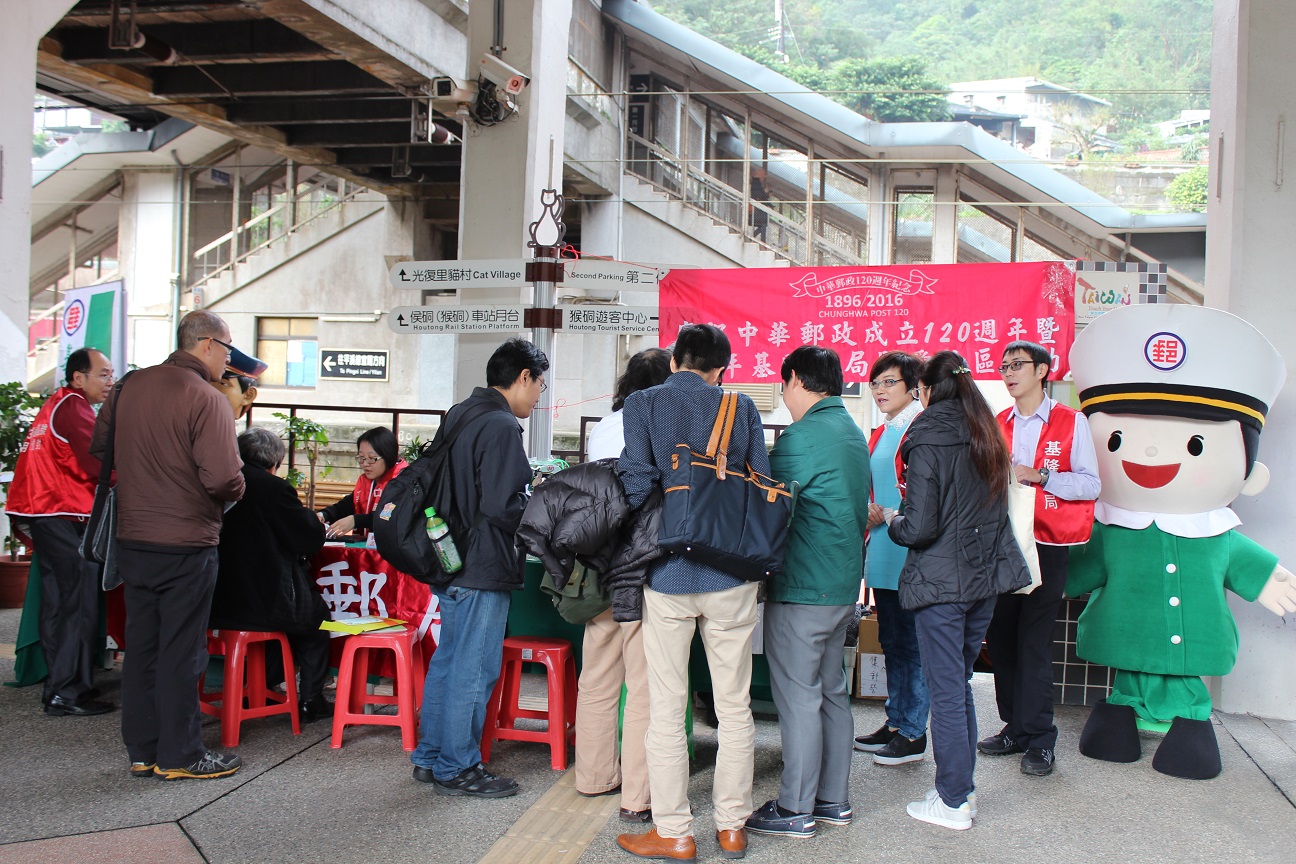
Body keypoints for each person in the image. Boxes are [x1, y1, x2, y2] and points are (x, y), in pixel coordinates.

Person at [1067, 304, 1295, 780]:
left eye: (1196, 444)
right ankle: (1121, 713)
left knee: (1189, 697)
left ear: (1250, 473)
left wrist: (1270, 580)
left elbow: (1241, 560)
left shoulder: (1215, 534)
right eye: (1117, 440)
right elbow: (1080, 569)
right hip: (1124, 639)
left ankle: (1189, 724)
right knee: (1124, 686)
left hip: (1191, 645)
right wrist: (1045, 579)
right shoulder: (1112, 529)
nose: (1149, 454)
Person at [616, 323, 768, 862]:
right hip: (730, 574)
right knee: (734, 706)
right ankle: (731, 825)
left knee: (665, 705)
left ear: (676, 358)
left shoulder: (643, 404)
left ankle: (675, 831)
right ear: (720, 369)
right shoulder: (741, 407)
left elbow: (635, 484)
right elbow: (759, 482)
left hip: (669, 573)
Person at [91, 310, 246, 781]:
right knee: (182, 650)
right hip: (186, 542)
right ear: (205, 344)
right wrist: (236, 489)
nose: (229, 361)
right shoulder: (206, 398)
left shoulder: (128, 387)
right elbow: (223, 478)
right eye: (227, 350)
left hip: (134, 539)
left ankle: (142, 749)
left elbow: (103, 448)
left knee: (141, 647)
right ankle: (181, 754)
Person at [886, 350, 1030, 830]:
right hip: (984, 579)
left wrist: (892, 521)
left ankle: (950, 801)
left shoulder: (928, 435)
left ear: (926, 390)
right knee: (959, 685)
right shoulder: (986, 429)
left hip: (942, 583)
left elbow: (921, 525)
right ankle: (960, 790)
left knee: (946, 690)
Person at [410, 338, 548, 798]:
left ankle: (431, 757)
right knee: (474, 667)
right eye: (539, 383)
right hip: (482, 562)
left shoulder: (462, 413)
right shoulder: (501, 425)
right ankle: (458, 767)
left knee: (449, 662)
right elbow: (501, 503)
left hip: (448, 556)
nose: (540, 393)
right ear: (522, 377)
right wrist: (539, 507)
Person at [745, 346, 870, 840]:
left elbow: (764, 499)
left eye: (784, 386)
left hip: (803, 586)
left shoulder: (802, 438)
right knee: (831, 693)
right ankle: (833, 800)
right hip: (841, 585)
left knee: (798, 697)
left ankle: (796, 806)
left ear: (795, 379)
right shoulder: (852, 432)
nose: (784, 396)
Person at [981, 340, 1100, 776]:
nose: (1009, 373)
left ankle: (1041, 738)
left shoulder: (1072, 422)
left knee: (1034, 641)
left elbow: (1091, 485)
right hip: (1005, 545)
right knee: (1003, 640)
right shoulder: (997, 424)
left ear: (1043, 370)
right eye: (1004, 366)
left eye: (1018, 365)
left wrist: (1041, 475)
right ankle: (1014, 726)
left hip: (1048, 545)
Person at [576, 347, 670, 823]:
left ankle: (593, 777)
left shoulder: (602, 430)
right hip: (642, 570)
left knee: (596, 679)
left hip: (599, 566)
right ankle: (638, 793)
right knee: (644, 686)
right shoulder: (656, 425)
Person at [5, 347, 115, 716]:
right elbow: (94, 462)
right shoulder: (73, 407)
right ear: (78, 377)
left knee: (59, 604)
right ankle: (67, 692)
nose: (109, 380)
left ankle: (59, 688)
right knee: (76, 605)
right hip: (61, 511)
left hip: (42, 512)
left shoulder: (54, 405)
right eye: (102, 374)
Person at [210, 428, 333, 724]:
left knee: (288, 625)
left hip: (217, 602)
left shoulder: (220, 482)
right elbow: (307, 539)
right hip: (263, 602)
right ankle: (311, 700)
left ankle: (261, 687)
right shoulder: (272, 488)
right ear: (274, 461)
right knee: (316, 619)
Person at [854, 351, 931, 765]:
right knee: (892, 641)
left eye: (890, 383)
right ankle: (897, 721)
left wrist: (890, 511)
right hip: (882, 547)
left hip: (912, 549)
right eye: (876, 383)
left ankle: (915, 732)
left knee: (914, 645)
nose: (880, 390)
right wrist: (868, 506)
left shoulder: (921, 426)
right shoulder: (883, 431)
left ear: (914, 387)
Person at [318, 426, 407, 540]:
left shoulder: (402, 481)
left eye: (372, 458)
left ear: (388, 456)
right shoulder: (368, 480)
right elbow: (347, 505)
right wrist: (324, 515)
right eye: (361, 458)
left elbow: (389, 516)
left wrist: (355, 521)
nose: (365, 464)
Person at [749, 167, 770, 242]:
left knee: (763, 225)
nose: (763, 179)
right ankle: (762, 241)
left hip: (756, 209)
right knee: (763, 224)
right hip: (756, 210)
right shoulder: (756, 184)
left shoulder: (755, 183)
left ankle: (753, 237)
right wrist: (766, 194)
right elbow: (760, 195)